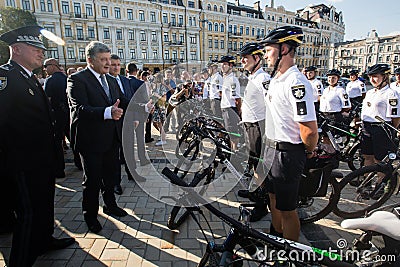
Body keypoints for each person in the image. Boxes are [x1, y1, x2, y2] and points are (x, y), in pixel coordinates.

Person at [0, 25, 74, 266]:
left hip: (41, 158)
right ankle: (20, 261)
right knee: (28, 213)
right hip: (22, 161)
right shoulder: (6, 78)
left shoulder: (26, 76)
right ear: (17, 49)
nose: (41, 53)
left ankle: (44, 241)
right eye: (36, 49)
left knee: (44, 204)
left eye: (42, 49)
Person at [259, 26, 318, 241]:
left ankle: (289, 253)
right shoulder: (277, 79)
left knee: (287, 210)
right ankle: (276, 238)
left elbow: (310, 131)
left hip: (287, 152)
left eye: (268, 50)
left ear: (284, 49)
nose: (265, 55)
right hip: (271, 148)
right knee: (273, 201)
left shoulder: (296, 82)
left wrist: (308, 152)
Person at [67, 41, 131, 233]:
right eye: (102, 60)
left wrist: (141, 107)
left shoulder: (110, 79)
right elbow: (79, 109)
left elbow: (123, 101)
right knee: (92, 181)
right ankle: (91, 216)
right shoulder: (77, 79)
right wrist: (107, 112)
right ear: (90, 60)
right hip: (91, 141)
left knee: (110, 176)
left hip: (111, 139)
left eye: (108, 59)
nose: (107, 63)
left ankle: (110, 206)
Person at [237, 43, 270, 222]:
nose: (242, 60)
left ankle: (261, 205)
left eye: (246, 57)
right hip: (250, 125)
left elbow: (270, 105)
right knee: (252, 163)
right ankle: (254, 192)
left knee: (259, 166)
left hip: (259, 126)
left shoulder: (263, 78)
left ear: (257, 58)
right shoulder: (252, 77)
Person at [361, 64, 400, 168]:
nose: (372, 79)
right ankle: (367, 181)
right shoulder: (370, 92)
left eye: (375, 76)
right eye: (370, 77)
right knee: (367, 155)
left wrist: (391, 131)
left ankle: (380, 182)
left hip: (381, 128)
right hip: (367, 126)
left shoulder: (391, 94)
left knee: (379, 159)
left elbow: (395, 117)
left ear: (384, 77)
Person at [43, 57, 69, 178]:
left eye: (45, 66)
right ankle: (81, 164)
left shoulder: (50, 80)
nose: (44, 69)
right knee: (74, 140)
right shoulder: (67, 78)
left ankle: (59, 169)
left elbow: (47, 100)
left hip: (57, 116)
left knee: (57, 143)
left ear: (53, 66)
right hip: (69, 115)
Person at [319, 69, 351, 138]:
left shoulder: (340, 90)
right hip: (323, 116)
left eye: (333, 78)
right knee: (323, 137)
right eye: (329, 77)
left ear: (338, 79)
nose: (331, 79)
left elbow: (347, 106)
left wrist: (337, 113)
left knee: (332, 138)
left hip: (333, 117)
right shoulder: (325, 90)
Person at [219, 55, 242, 151]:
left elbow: (237, 99)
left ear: (231, 66)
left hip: (230, 109)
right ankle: (232, 151)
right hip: (225, 109)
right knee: (229, 132)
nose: (222, 66)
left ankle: (235, 152)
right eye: (222, 64)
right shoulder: (226, 78)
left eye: (225, 64)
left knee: (233, 133)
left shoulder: (232, 80)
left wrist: (239, 112)